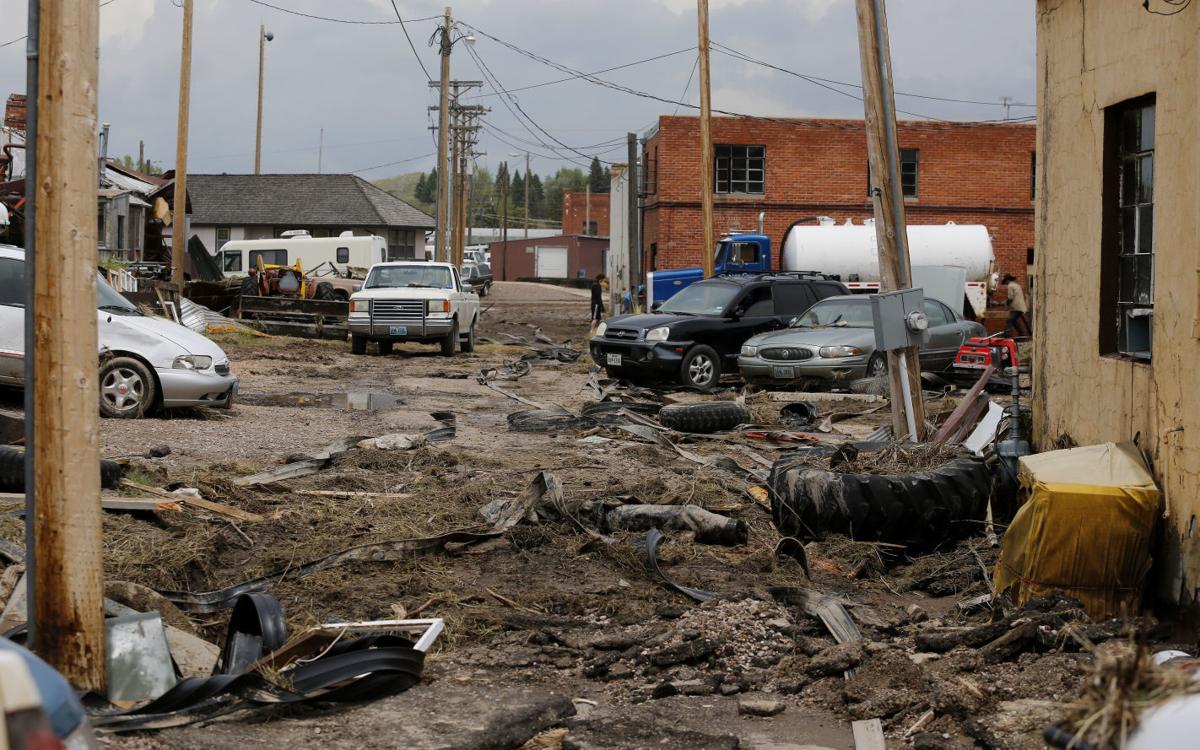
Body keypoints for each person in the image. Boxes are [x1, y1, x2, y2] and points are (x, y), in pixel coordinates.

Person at [1001, 273, 1031, 338]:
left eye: (1005, 281)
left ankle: (1007, 335)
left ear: (1007, 280)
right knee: (1014, 321)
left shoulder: (1010, 286)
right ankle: (1022, 334)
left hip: (1017, 308)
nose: (1005, 283)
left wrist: (1007, 304)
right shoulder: (1017, 285)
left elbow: (1010, 298)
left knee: (1009, 320)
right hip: (1021, 307)